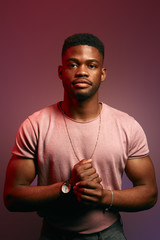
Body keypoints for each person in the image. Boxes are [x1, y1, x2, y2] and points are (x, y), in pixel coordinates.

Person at [4, 33, 158, 240]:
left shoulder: (127, 126)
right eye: (73, 64)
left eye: (92, 65)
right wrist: (67, 187)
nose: (82, 72)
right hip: (54, 233)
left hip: (109, 234)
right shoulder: (35, 125)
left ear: (102, 74)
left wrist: (103, 197)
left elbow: (149, 193)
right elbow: (12, 197)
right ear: (61, 71)